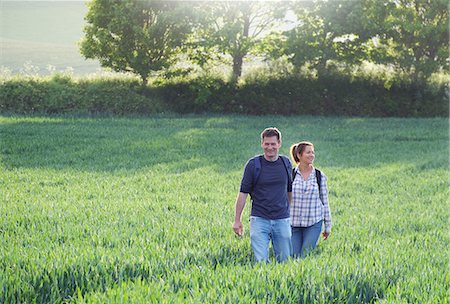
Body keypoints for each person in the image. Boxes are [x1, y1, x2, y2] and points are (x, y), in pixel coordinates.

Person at [233, 127, 293, 263]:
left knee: (284, 261)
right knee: (261, 262)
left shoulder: (286, 163)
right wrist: (237, 220)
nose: (270, 147)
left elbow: (289, 190)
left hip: (282, 220)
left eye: (273, 144)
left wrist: (287, 212)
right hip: (259, 220)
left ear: (279, 144)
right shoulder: (253, 165)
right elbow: (243, 193)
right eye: (267, 144)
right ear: (262, 144)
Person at [290, 141, 331, 258]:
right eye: (308, 152)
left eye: (313, 152)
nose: (312, 155)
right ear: (299, 155)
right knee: (293, 256)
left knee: (305, 255)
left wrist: (327, 226)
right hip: (293, 223)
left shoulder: (319, 175)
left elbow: (325, 201)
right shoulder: (290, 174)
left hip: (313, 222)